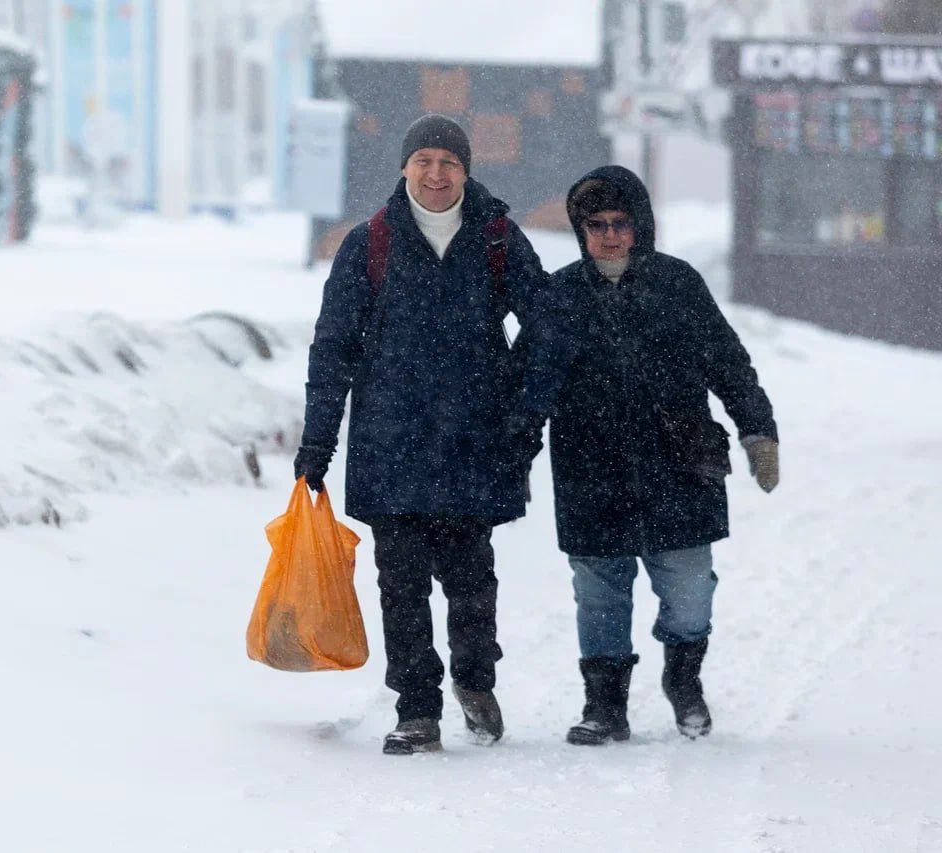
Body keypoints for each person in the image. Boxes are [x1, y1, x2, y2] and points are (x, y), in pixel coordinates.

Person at [293, 115, 567, 755]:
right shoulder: (372, 244)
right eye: (424, 160)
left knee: (472, 578)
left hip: (476, 437)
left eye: (449, 162)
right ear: (404, 168)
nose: (436, 174)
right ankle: (416, 709)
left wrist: (523, 408)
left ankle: (475, 679)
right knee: (402, 583)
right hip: (392, 438)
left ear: (466, 172)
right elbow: (333, 348)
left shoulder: (497, 237)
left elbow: (548, 325)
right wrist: (318, 440)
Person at [526, 165, 778, 745]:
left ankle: (682, 678)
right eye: (597, 225)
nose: (610, 235)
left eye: (622, 223)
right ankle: (604, 706)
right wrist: (509, 456)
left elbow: (728, 363)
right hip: (591, 471)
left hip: (680, 467)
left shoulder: (679, 284)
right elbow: (528, 384)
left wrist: (758, 432)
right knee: (599, 594)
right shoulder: (560, 296)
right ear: (580, 229)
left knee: (690, 593)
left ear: (641, 226)